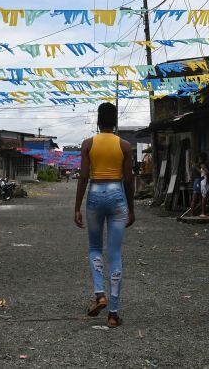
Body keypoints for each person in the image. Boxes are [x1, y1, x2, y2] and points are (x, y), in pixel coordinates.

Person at [74, 102, 135, 329]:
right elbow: (129, 180)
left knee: (94, 248)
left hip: (95, 194)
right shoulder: (125, 145)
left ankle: (100, 295)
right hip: (117, 194)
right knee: (115, 253)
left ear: (98, 121)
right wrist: (131, 208)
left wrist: (76, 207)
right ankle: (113, 314)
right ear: (115, 121)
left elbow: (83, 177)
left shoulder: (88, 144)